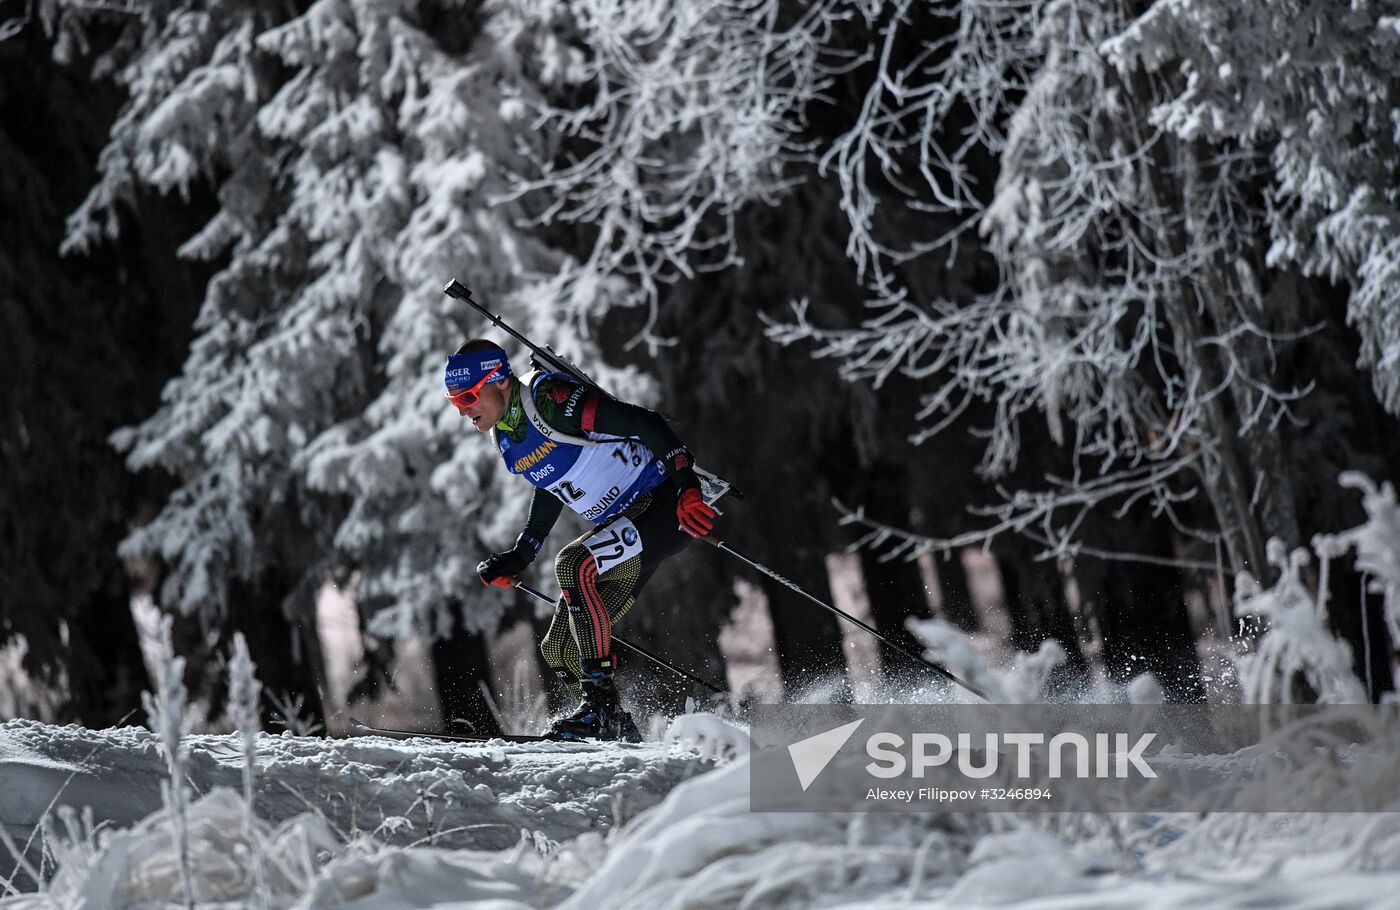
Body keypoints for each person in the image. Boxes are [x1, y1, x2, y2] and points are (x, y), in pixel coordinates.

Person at [445, 339, 717, 741]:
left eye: (469, 396)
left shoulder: (551, 400)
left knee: (573, 564)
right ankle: (616, 733)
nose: (464, 409)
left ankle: (600, 712)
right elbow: (551, 484)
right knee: (559, 650)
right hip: (626, 525)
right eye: (455, 402)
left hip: (662, 505)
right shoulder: (505, 436)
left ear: (500, 381)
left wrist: (688, 486)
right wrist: (523, 553)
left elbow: (645, 423)